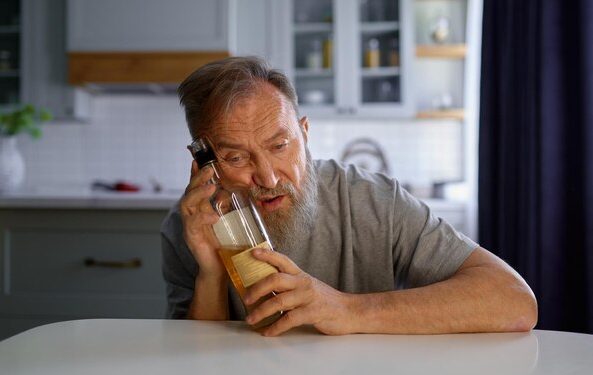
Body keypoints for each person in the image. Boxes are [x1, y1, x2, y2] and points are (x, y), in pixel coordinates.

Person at [161, 56, 537, 337]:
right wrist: (210, 273)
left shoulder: (373, 201)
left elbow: (513, 300)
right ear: (204, 161)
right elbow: (197, 368)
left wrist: (346, 309)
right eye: (236, 157)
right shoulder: (189, 228)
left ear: (304, 134)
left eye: (280, 145)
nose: (269, 176)